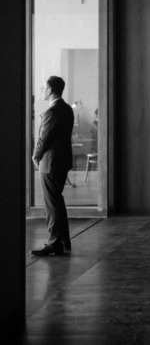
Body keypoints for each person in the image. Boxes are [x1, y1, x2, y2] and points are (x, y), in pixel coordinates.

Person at [31, 76, 74, 257]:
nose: (42, 91)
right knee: (57, 200)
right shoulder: (66, 109)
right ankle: (63, 240)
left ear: (50, 90)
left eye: (43, 88)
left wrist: (35, 155)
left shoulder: (52, 111)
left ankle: (54, 242)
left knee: (51, 203)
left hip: (50, 162)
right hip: (61, 161)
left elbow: (44, 138)